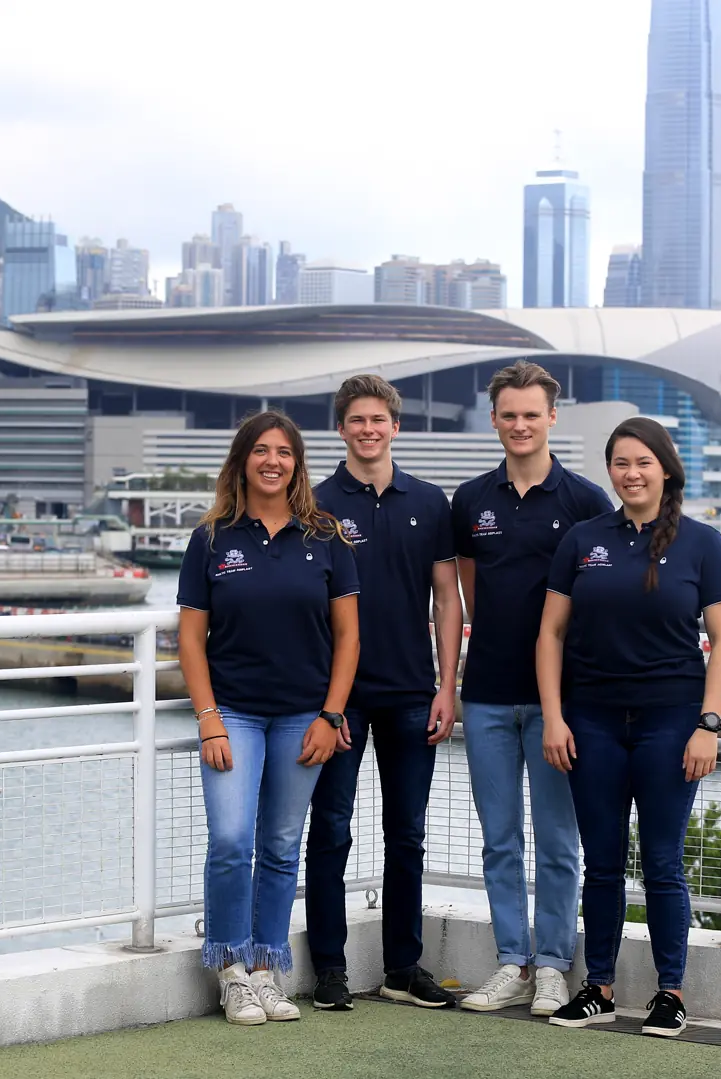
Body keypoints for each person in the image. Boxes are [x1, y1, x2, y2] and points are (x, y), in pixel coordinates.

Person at [535, 416, 721, 1038]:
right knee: (600, 862)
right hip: (591, 720)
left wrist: (708, 725)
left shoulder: (703, 544)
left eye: (643, 462)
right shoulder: (584, 540)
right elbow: (551, 634)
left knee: (662, 862)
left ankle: (669, 993)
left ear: (666, 470)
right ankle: (598, 988)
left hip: (671, 724)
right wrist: (554, 717)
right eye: (621, 463)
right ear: (610, 471)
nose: (632, 474)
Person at [177, 410, 361, 1026]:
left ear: (297, 463)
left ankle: (265, 969)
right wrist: (208, 718)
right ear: (242, 461)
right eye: (261, 450)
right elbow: (190, 639)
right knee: (232, 840)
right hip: (233, 712)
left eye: (284, 452)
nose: (272, 461)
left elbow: (348, 637)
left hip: (304, 716)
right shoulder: (211, 538)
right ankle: (230, 970)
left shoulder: (326, 536)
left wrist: (331, 715)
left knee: (281, 846)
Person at [449, 361, 613, 1016]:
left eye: (531, 414)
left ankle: (552, 965)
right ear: (494, 420)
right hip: (486, 693)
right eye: (509, 414)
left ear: (552, 417)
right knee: (499, 840)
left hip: (559, 704)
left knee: (557, 841)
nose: (520, 425)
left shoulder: (585, 502)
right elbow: (469, 591)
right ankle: (511, 961)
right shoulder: (470, 500)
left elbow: (596, 599)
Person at [305, 375, 465, 1011]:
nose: (368, 430)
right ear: (340, 428)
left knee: (407, 836)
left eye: (378, 420)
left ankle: (403, 966)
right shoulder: (315, 505)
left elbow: (447, 599)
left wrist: (448, 686)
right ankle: (329, 968)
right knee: (331, 831)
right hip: (341, 699)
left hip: (412, 693)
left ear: (396, 427)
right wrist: (326, 704)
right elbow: (307, 609)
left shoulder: (429, 502)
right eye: (357, 420)